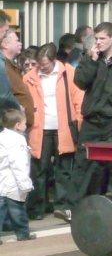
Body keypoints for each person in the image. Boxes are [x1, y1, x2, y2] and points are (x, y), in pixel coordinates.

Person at [59, 22, 112, 221]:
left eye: (102, 39)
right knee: (83, 163)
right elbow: (80, 82)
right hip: (92, 119)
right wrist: (91, 60)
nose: (98, 42)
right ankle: (73, 207)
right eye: (96, 38)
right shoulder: (90, 57)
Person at [24, 43, 84, 220]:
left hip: (63, 127)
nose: (41, 68)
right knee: (38, 169)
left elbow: (78, 99)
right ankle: (37, 208)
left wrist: (79, 121)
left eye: (45, 65)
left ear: (54, 60)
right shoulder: (29, 77)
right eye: (39, 64)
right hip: (39, 128)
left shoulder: (68, 73)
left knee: (63, 169)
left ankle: (63, 206)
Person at [0, 107, 35, 242]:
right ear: (18, 125)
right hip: (12, 182)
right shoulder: (17, 141)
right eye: (25, 123)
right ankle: (23, 234)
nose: (26, 126)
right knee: (17, 210)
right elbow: (19, 164)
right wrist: (25, 184)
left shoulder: (2, 137)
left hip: (2, 181)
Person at [1, 30, 34, 129]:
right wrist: (18, 106)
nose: (20, 43)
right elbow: (5, 93)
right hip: (13, 124)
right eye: (16, 40)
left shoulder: (11, 66)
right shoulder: (3, 66)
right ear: (6, 45)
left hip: (20, 123)